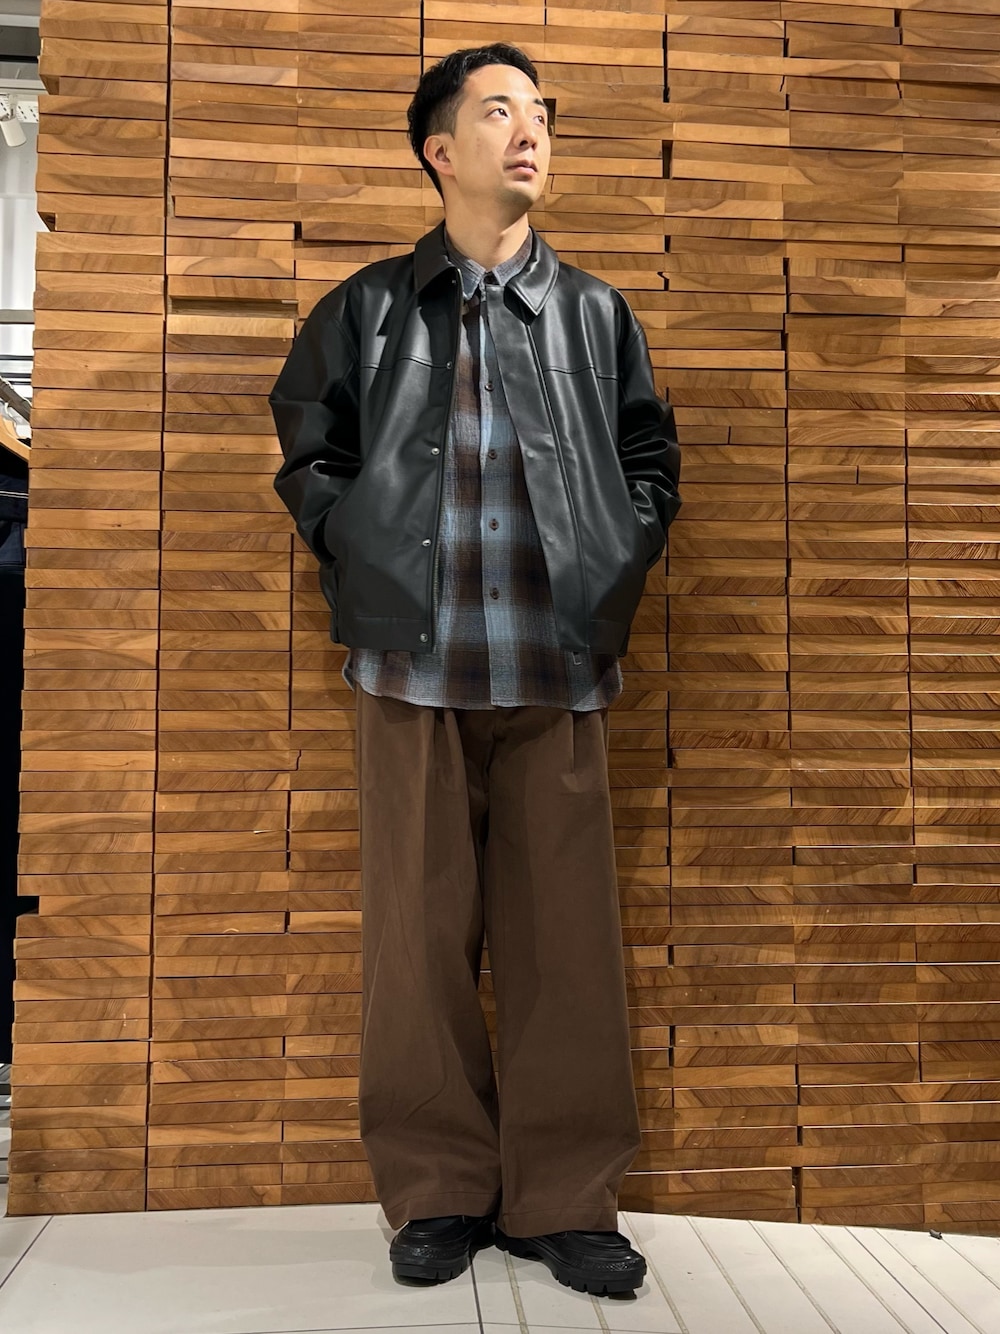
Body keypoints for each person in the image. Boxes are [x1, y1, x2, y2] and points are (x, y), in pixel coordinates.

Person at [269, 42, 681, 1299]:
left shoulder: (597, 313)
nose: (529, 130)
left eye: (539, 112)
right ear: (439, 149)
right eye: (499, 110)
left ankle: (566, 1197)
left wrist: (616, 556)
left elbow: (649, 460)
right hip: (412, 671)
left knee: (567, 949)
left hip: (559, 669)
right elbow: (311, 453)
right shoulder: (366, 309)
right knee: (415, 947)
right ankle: (438, 1188)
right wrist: (355, 547)